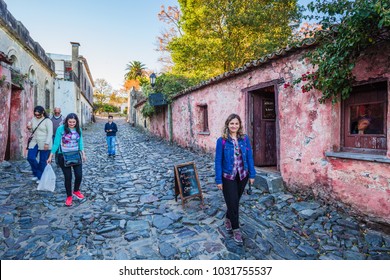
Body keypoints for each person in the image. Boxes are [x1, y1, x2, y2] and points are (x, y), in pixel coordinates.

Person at [214, 113, 256, 244]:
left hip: (243, 175)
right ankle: (236, 229)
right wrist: (218, 180)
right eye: (231, 123)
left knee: (234, 202)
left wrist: (252, 174)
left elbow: (249, 156)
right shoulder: (222, 141)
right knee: (233, 202)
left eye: (236, 123)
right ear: (227, 124)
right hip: (228, 177)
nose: (234, 126)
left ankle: (228, 218)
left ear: (239, 125)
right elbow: (218, 161)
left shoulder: (244, 139)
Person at [47, 113, 87, 207]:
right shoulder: (61, 129)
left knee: (79, 175)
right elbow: (56, 143)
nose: (71, 123)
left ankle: (76, 190)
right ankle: (69, 196)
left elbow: (80, 142)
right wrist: (50, 156)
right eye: (70, 122)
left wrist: (83, 153)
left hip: (76, 155)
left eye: (73, 122)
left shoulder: (78, 129)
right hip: (63, 156)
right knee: (68, 177)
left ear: (76, 122)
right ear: (66, 121)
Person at [26, 106, 53, 183]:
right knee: (30, 157)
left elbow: (50, 133)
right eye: (35, 114)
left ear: (43, 112)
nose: (37, 116)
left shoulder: (48, 121)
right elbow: (32, 131)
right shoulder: (33, 119)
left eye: (38, 114)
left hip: (44, 142)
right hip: (34, 141)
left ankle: (41, 177)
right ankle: (37, 173)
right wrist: (29, 128)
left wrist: (47, 143)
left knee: (42, 161)